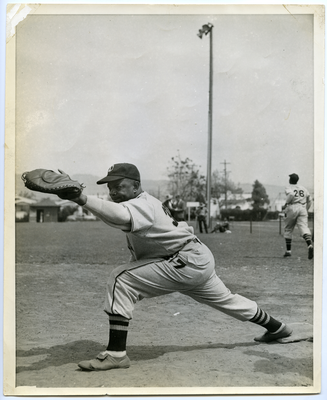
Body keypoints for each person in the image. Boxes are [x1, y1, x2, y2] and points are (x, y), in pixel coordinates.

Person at [65, 163, 292, 371]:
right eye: (110, 188)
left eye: (119, 186)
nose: (113, 192)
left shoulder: (140, 204)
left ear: (136, 186)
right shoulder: (142, 203)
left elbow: (119, 216)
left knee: (121, 279)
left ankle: (116, 354)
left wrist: (81, 199)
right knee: (228, 300)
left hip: (184, 260)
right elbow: (121, 223)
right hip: (194, 258)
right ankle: (278, 328)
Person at [282, 173, 313, 259]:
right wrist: (306, 210)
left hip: (292, 207)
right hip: (302, 207)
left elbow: (291, 195)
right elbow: (309, 200)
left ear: (290, 180)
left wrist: (286, 204)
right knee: (304, 228)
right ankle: (309, 245)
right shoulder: (303, 188)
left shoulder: (288, 187)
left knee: (288, 228)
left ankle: (288, 251)